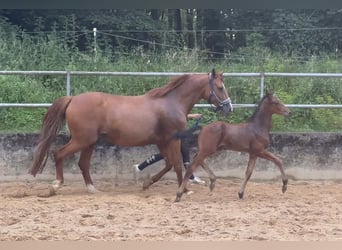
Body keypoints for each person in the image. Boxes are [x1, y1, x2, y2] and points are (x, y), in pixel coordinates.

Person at [134, 113, 205, 184]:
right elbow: (174, 115)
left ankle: (140, 167)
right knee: (168, 155)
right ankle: (140, 167)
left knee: (177, 155)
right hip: (174, 134)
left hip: (179, 134)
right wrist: (193, 116)